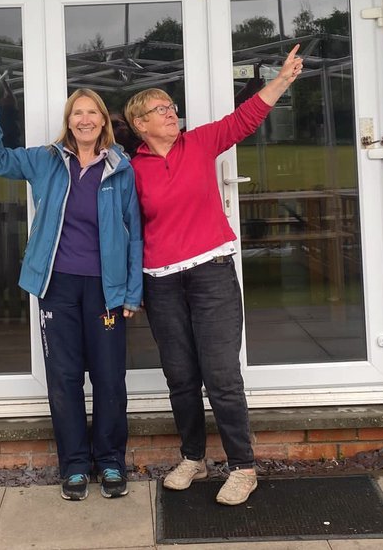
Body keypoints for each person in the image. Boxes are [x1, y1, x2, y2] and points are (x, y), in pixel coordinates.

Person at [124, 45, 304, 506]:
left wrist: (281, 80)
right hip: (161, 281)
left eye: (171, 106)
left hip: (211, 274)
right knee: (180, 375)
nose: (171, 112)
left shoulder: (199, 143)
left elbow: (244, 119)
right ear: (139, 123)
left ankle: (242, 467)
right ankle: (194, 458)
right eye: (160, 109)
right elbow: (125, 228)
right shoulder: (132, 169)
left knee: (221, 374)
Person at [0, 72, 143, 501]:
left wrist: (132, 291)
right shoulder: (46, 161)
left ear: (103, 120)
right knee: (64, 377)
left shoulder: (120, 168)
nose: (84, 119)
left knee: (109, 378)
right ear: (68, 121)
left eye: (92, 113)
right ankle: (74, 466)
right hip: (58, 286)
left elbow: (134, 234)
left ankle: (110, 462)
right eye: (77, 113)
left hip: (106, 288)